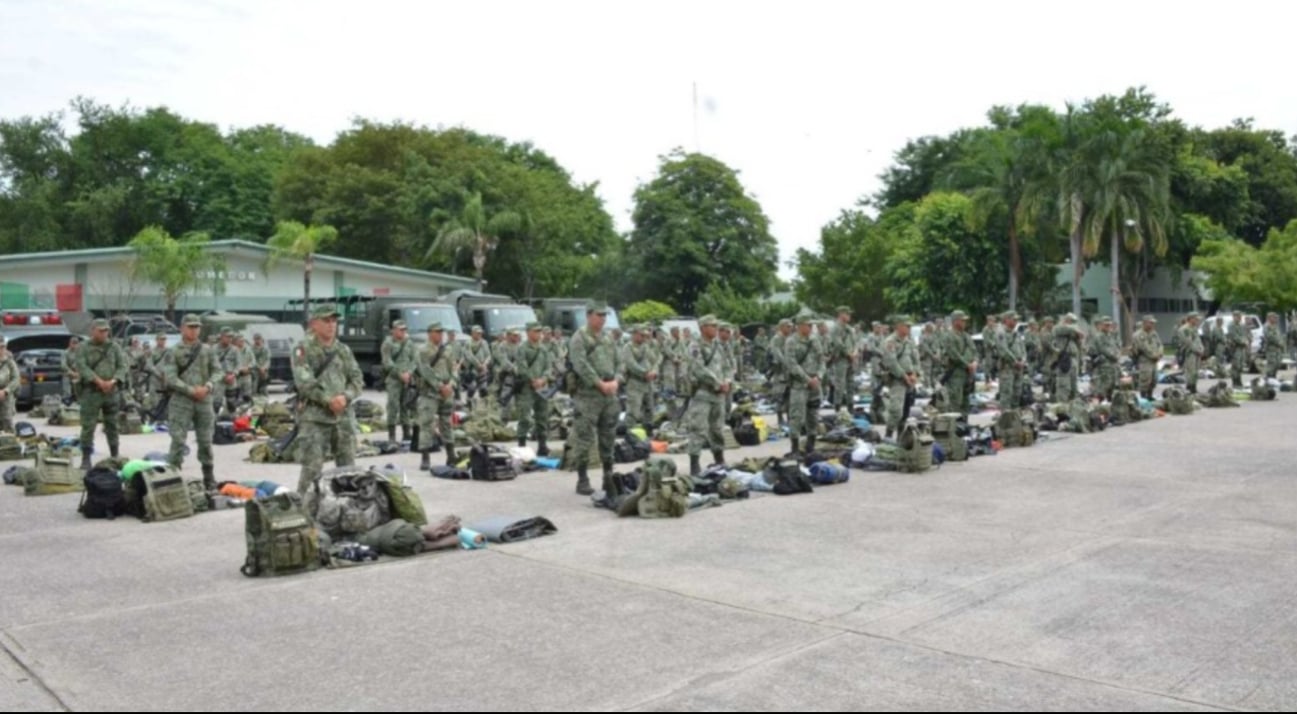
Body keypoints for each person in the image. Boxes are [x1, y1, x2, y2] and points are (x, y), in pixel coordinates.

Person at [292, 306, 364, 502]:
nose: (331, 325)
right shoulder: (302, 349)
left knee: (348, 470)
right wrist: (328, 400)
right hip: (315, 418)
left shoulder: (343, 350)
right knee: (311, 469)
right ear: (314, 324)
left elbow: (357, 379)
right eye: (326, 321)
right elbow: (304, 382)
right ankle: (303, 510)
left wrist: (346, 397)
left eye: (334, 321)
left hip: (343, 418)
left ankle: (350, 510)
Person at [566, 301, 621, 496]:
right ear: (588, 316)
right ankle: (582, 478)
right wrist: (600, 384)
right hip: (588, 395)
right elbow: (580, 365)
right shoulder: (579, 338)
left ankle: (608, 476)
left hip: (609, 394)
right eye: (599, 315)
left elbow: (619, 362)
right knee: (585, 437)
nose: (603, 319)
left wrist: (616, 381)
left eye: (605, 315)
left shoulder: (608, 338)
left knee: (609, 436)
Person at [162, 314, 222, 489]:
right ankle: (173, 478)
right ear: (182, 328)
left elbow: (218, 371)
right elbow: (170, 378)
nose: (194, 330)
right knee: (178, 440)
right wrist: (191, 390)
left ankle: (209, 477)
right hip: (181, 402)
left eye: (197, 327)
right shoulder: (173, 351)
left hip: (204, 401)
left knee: (206, 441)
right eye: (190, 327)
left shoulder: (207, 350)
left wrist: (208, 386)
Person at [74, 319, 129, 470]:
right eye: (100, 331)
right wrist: (98, 381)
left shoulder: (114, 347)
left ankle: (114, 455)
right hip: (91, 392)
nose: (104, 333)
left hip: (111, 392)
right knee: (88, 426)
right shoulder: (83, 348)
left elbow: (123, 366)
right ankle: (86, 458)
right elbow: (82, 366)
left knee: (112, 425)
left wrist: (113, 381)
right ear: (92, 331)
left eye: (106, 331)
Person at [685, 316, 731, 476]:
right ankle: (694, 464)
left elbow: (727, 366)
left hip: (719, 395)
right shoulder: (695, 345)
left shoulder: (719, 345)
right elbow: (698, 369)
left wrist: (727, 380)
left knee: (717, 429)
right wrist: (718, 383)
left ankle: (719, 460)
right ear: (703, 328)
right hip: (703, 393)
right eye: (713, 325)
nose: (716, 328)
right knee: (698, 429)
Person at [414, 323, 457, 471]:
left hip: (447, 392)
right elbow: (425, 371)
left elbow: (454, 369)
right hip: (430, 393)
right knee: (426, 424)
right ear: (429, 333)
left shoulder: (448, 349)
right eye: (437, 332)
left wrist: (451, 384)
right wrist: (440, 386)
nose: (440, 335)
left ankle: (451, 454)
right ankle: (425, 457)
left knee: (447, 423)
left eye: (441, 332)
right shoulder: (423, 351)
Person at [784, 314, 825, 455]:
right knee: (796, 417)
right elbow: (792, 364)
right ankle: (794, 448)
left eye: (811, 325)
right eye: (808, 324)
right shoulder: (791, 341)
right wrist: (808, 379)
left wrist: (819, 376)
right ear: (800, 325)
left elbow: (821, 359)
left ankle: (811, 446)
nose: (811, 327)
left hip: (815, 384)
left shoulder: (815, 340)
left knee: (813, 416)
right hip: (800, 385)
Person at [516, 322, 554, 455]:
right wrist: (532, 380)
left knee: (543, 416)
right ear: (528, 332)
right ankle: (521, 446)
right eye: (535, 331)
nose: (538, 334)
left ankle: (542, 445)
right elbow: (522, 367)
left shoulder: (543, 349)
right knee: (525, 417)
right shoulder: (522, 348)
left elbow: (549, 367)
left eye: (539, 331)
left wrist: (543, 379)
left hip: (542, 386)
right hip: (527, 387)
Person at [880, 315, 919, 438]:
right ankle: (889, 434)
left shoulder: (909, 341)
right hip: (897, 379)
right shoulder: (890, 342)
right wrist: (904, 376)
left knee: (906, 411)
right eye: (907, 326)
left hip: (910, 379)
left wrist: (915, 373)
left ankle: (900, 437)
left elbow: (916, 359)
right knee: (896, 411)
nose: (909, 328)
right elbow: (891, 362)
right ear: (899, 326)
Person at [380, 320, 417, 444]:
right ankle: (392, 435)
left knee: (405, 406)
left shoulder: (409, 343)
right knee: (393, 406)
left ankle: (407, 433)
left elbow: (415, 360)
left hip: (407, 379)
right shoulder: (388, 343)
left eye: (404, 329)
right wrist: (400, 374)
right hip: (394, 379)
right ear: (393, 330)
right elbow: (387, 362)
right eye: (400, 329)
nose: (403, 332)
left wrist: (409, 373)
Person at [621, 324, 658, 434]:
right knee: (633, 410)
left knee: (650, 409)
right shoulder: (628, 347)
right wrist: (645, 373)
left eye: (645, 336)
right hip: (635, 382)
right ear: (634, 334)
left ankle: (648, 432)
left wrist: (654, 371)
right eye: (641, 335)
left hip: (648, 383)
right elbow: (631, 364)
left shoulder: (645, 347)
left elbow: (654, 360)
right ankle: (630, 434)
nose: (644, 338)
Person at [941, 311, 978, 418]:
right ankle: (955, 427)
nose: (965, 323)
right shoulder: (949, 336)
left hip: (967, 373)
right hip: (955, 373)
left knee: (966, 401)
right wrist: (968, 364)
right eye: (963, 320)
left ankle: (964, 425)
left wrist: (975, 362)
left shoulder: (966, 336)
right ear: (956, 321)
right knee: (955, 402)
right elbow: (954, 355)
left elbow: (974, 350)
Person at [996, 312, 1028, 409]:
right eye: (1014, 319)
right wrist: (1015, 361)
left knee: (1017, 394)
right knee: (1006, 395)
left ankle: (1014, 418)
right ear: (1007, 320)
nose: (1016, 322)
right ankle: (1005, 420)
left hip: (1018, 368)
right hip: (1007, 368)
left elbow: (1023, 349)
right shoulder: (1001, 333)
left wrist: (1023, 360)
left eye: (1016, 320)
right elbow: (1003, 350)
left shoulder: (1016, 333)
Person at [827, 306, 857, 410]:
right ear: (841, 314)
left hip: (851, 359)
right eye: (847, 314)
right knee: (840, 385)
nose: (849, 316)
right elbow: (838, 343)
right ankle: (837, 408)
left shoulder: (849, 329)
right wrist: (849, 354)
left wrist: (855, 352)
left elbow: (855, 342)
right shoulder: (836, 328)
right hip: (841, 359)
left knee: (851, 384)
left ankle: (850, 407)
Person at [1052, 314, 1084, 402]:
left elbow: (1079, 346)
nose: (1073, 325)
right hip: (1064, 360)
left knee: (1074, 387)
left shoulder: (1073, 334)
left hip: (1074, 360)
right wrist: (1075, 330)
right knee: (1064, 387)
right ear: (1066, 320)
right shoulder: (1059, 329)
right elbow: (1059, 329)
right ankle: (1062, 409)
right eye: (1071, 322)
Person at [1131, 315, 1163, 399]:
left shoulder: (1154, 333)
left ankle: (1150, 395)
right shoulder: (1138, 335)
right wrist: (1154, 355)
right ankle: (1143, 396)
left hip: (1154, 360)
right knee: (1145, 379)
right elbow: (1144, 348)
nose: (1153, 325)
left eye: (1153, 323)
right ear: (1145, 323)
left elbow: (1160, 344)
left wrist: (1160, 353)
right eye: (1151, 323)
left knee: (1154, 379)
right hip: (1145, 360)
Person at [1090, 317, 1121, 401]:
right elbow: (1103, 349)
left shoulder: (1110, 336)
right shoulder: (1099, 336)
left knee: (1112, 385)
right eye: (1106, 325)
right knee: (1103, 386)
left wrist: (1118, 354)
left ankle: (1109, 402)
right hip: (1104, 365)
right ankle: (1101, 403)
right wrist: (1114, 356)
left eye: (1109, 325)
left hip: (1112, 364)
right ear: (1101, 325)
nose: (1108, 327)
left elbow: (1116, 346)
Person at [215, 327, 241, 414]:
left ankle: (232, 422)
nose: (230, 339)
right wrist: (223, 376)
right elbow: (212, 365)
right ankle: (214, 422)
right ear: (221, 336)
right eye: (227, 336)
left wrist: (233, 375)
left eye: (231, 337)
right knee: (216, 403)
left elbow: (238, 364)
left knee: (232, 403)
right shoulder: (213, 349)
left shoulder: (235, 350)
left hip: (231, 379)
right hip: (218, 380)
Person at [1179, 313, 1206, 393]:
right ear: (1191, 319)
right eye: (1196, 319)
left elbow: (1198, 340)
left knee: (1195, 372)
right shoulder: (1185, 329)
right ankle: (1190, 388)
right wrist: (1198, 351)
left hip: (1197, 353)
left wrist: (1202, 349)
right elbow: (1189, 343)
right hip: (1190, 353)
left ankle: (1193, 387)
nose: (1198, 321)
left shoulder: (1194, 328)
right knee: (1191, 372)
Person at [1227, 311, 1251, 387]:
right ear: (1234, 316)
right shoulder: (1231, 325)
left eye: (1240, 316)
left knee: (1240, 365)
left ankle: (1239, 380)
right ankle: (1235, 381)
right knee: (1236, 365)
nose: (1240, 318)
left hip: (1241, 347)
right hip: (1235, 348)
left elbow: (1244, 334)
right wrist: (1243, 341)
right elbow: (1234, 336)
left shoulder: (1241, 325)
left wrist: (1246, 340)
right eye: (1238, 316)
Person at [0, 334, 18, 432]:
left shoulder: (9, 362)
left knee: (7, 424)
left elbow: (16, 379)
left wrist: (6, 391)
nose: (1, 350)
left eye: (3, 347)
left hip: (6, 397)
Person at [1262, 312, 1285, 379]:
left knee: (1277, 364)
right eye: (1274, 317)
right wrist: (1279, 342)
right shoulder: (1267, 326)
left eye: (1276, 317)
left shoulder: (1275, 326)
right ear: (1269, 318)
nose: (1275, 319)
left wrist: (1282, 343)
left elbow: (1279, 336)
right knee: (1271, 364)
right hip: (1271, 349)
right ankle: (1269, 378)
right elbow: (1270, 336)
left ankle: (1273, 377)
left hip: (1277, 349)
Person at [61, 336, 80, 403]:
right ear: (70, 343)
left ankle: (79, 397)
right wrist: (71, 372)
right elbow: (63, 365)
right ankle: (67, 397)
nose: (74, 345)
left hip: (78, 372)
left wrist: (78, 372)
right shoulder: (65, 352)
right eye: (73, 343)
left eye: (76, 343)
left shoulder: (79, 352)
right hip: (69, 372)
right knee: (66, 378)